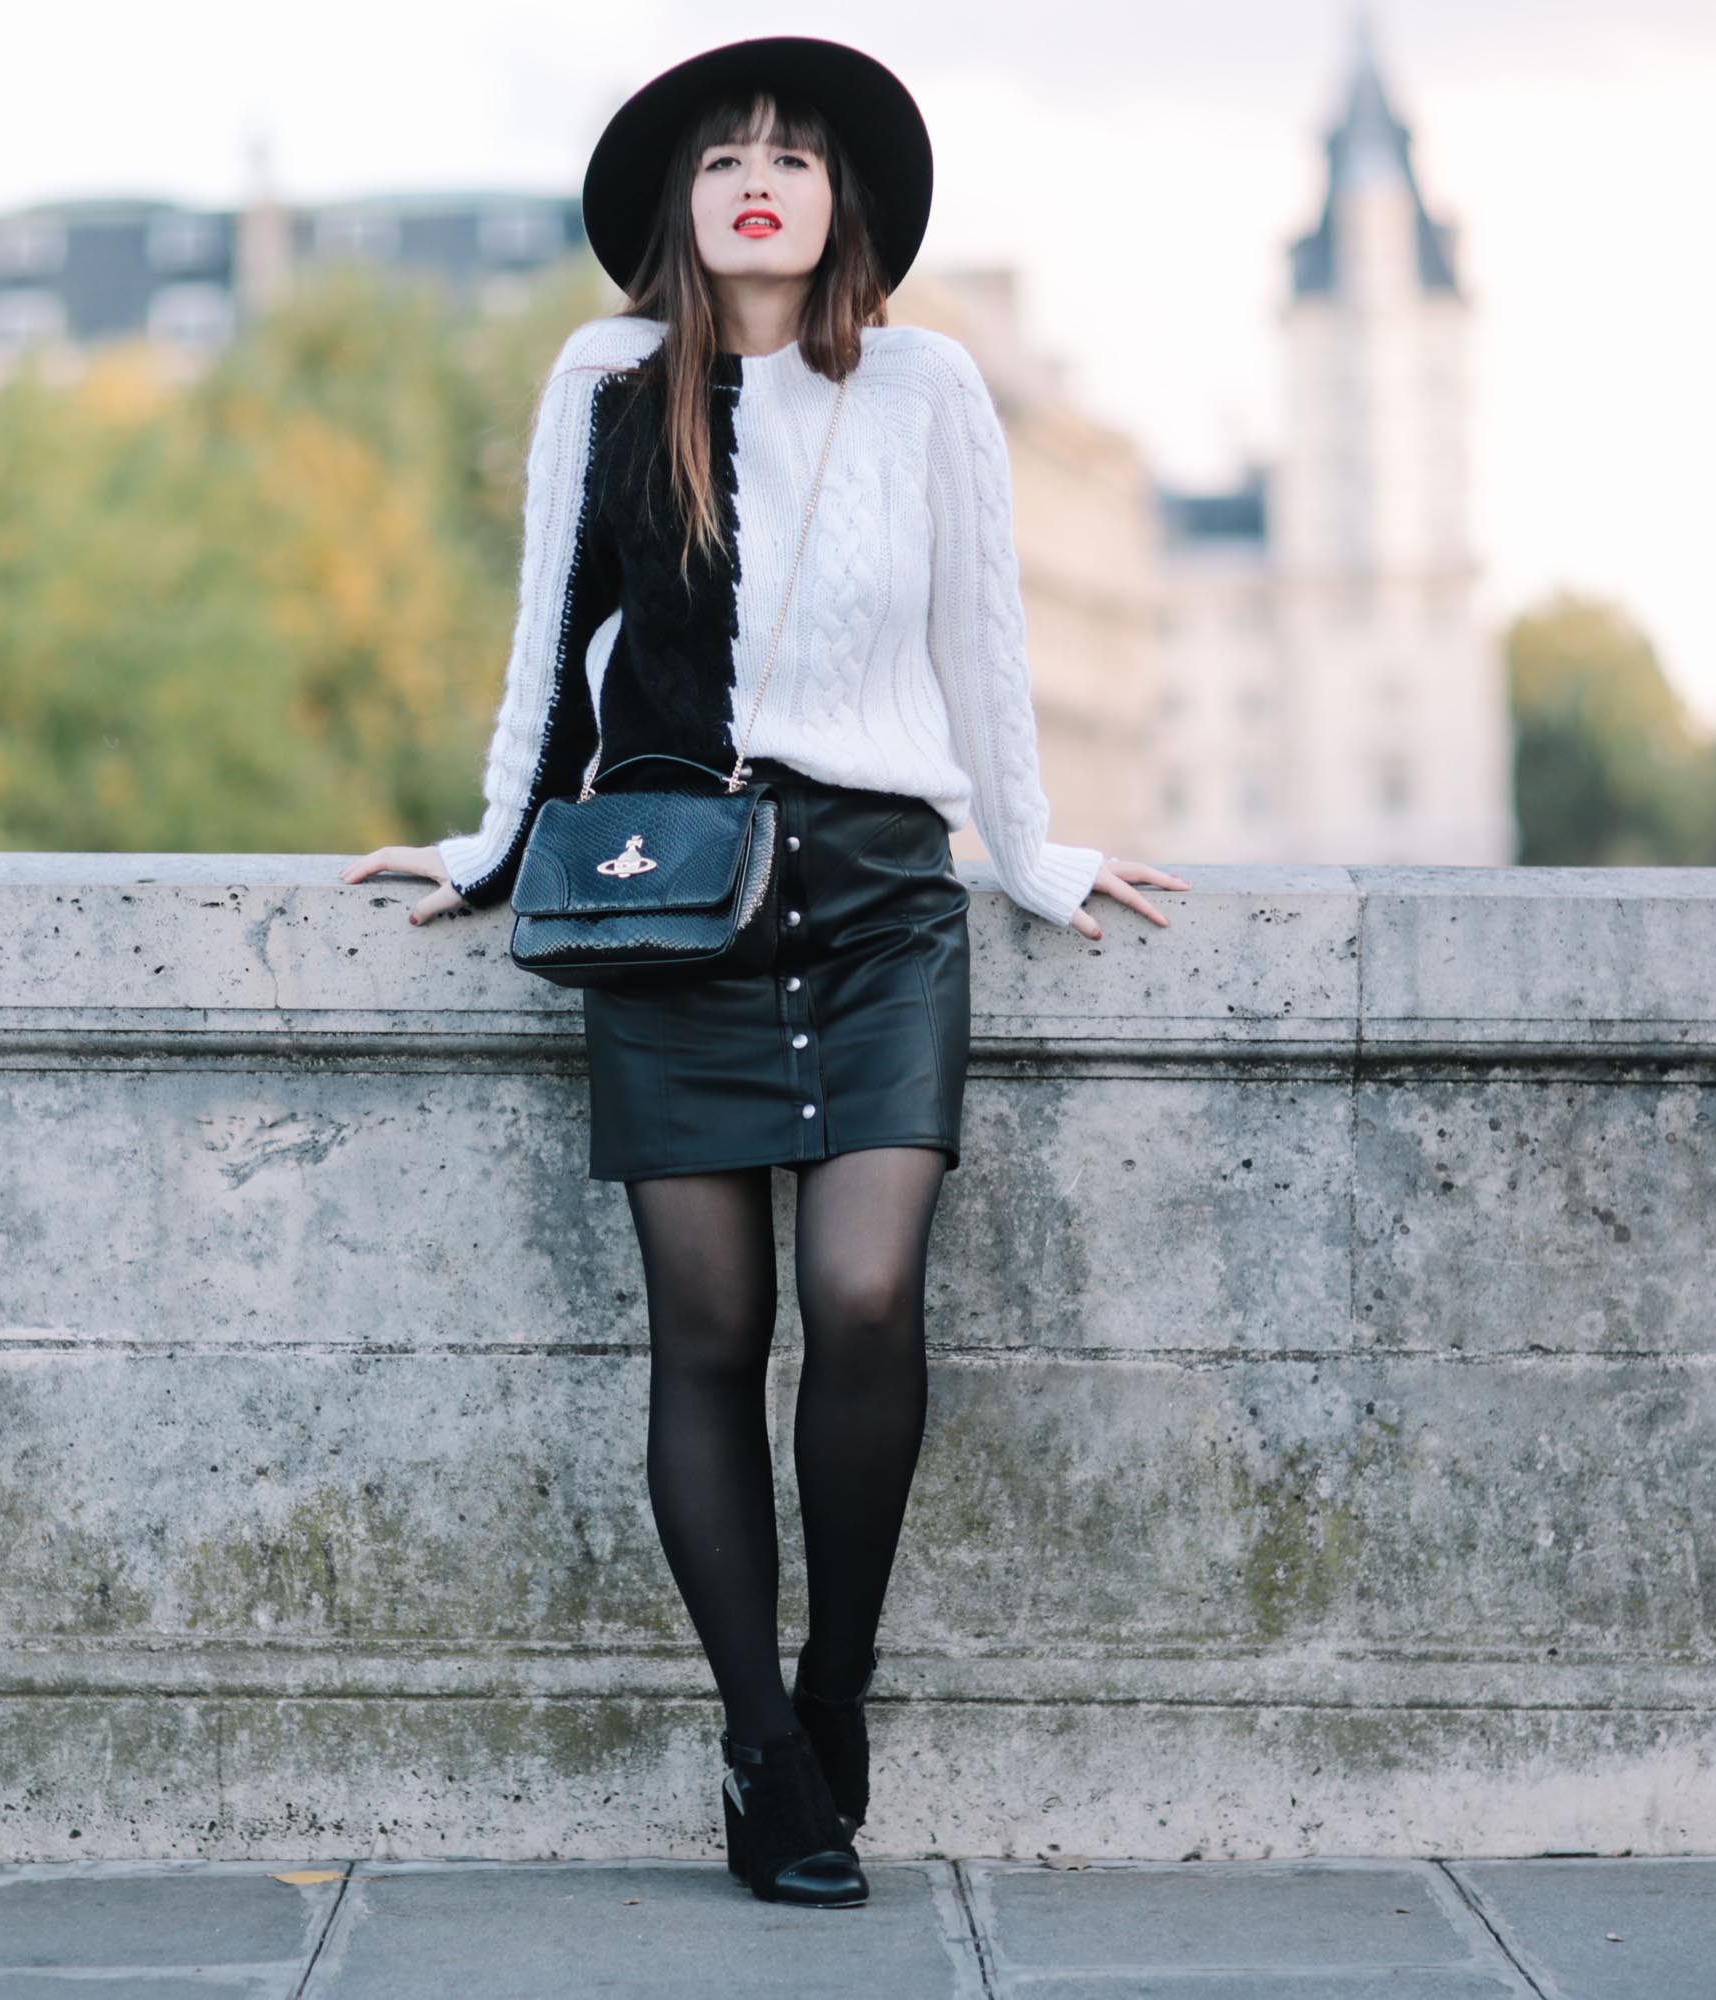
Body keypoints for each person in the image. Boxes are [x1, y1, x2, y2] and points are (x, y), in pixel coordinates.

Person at [340, 34, 1187, 1907]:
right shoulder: (613, 379)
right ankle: (757, 1751)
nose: (758, 178)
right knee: (710, 1338)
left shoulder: (933, 386)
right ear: (683, 201)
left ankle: (837, 1681)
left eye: (794, 157)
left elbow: (988, 639)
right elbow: (552, 635)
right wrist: (495, 843)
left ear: (840, 201)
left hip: (883, 893)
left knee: (867, 1297)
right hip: (676, 896)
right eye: (726, 154)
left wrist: (1032, 855)